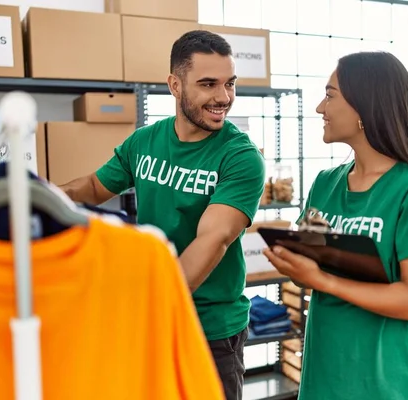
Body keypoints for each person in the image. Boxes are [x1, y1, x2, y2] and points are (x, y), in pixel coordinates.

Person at [59, 30, 265, 400]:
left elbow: (213, 240)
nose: (224, 97)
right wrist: (39, 197)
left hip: (210, 331)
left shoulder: (240, 156)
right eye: (208, 84)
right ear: (174, 84)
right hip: (152, 314)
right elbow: (92, 187)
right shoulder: (145, 141)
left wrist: (151, 305)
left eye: (230, 83)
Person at [263, 51, 408, 400]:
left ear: (365, 106)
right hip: (323, 379)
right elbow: (306, 272)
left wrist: (323, 279)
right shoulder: (325, 183)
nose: (320, 108)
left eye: (330, 95)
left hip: (385, 385)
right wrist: (297, 259)